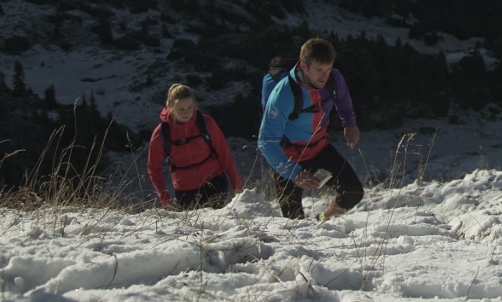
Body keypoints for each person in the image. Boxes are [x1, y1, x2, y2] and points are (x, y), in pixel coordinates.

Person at [258, 37, 363, 219]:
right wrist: (294, 173)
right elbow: (266, 141)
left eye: (328, 69)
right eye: (319, 70)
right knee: (293, 222)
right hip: (289, 158)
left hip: (319, 150)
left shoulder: (334, 79)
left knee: (353, 193)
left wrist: (350, 124)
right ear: (304, 67)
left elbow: (343, 100)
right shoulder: (283, 93)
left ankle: (322, 220)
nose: (325, 76)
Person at [147, 84, 243, 210]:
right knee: (193, 227)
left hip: (214, 181)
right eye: (181, 109)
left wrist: (236, 183)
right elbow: (153, 168)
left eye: (190, 107)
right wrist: (165, 198)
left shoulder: (206, 123)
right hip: (184, 188)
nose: (186, 112)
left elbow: (223, 153)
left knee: (218, 222)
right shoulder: (161, 133)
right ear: (170, 107)